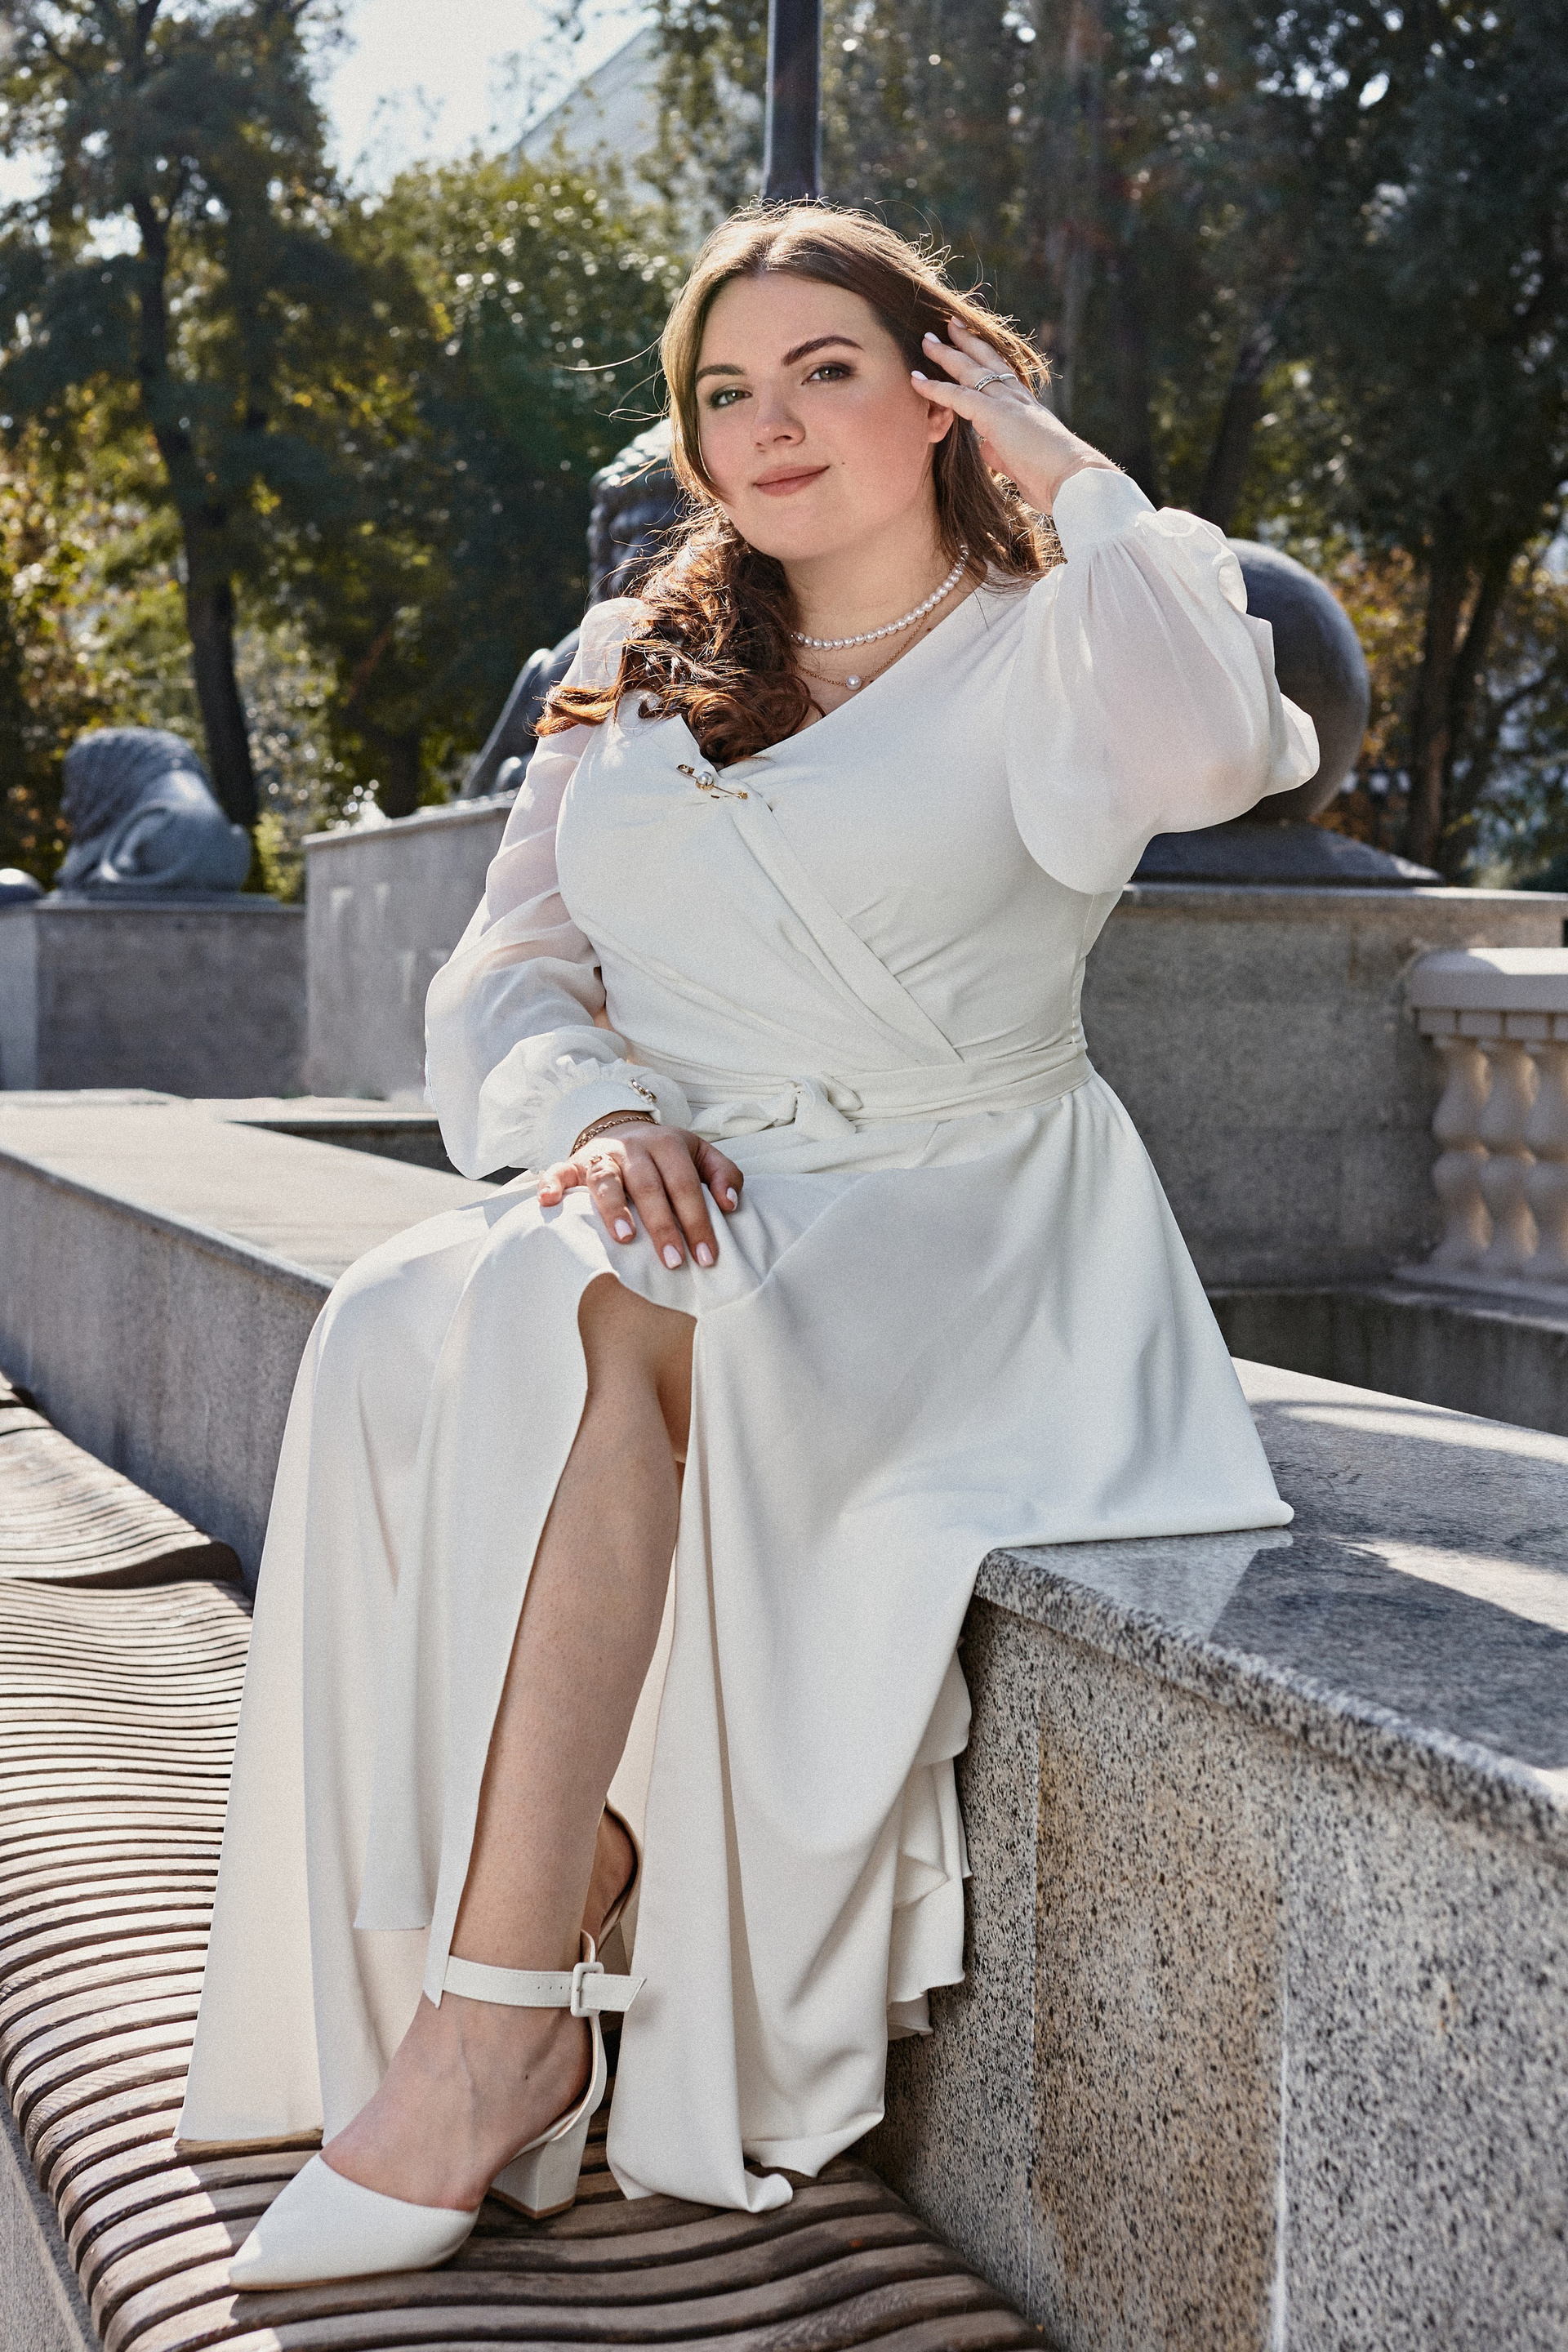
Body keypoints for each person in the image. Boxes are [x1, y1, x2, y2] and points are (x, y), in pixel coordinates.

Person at [180, 203, 1316, 2288]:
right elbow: (510, 964)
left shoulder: (1059, 632)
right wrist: (593, 1114)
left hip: (961, 1215)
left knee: (598, 1298)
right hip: (682, 1175)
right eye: (725, 390)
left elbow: (1216, 754)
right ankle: (552, 1904)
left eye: (827, 370)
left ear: (941, 390)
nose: (768, 422)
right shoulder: (638, 657)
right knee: (413, 1305)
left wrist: (1071, 469)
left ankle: (492, 2032)